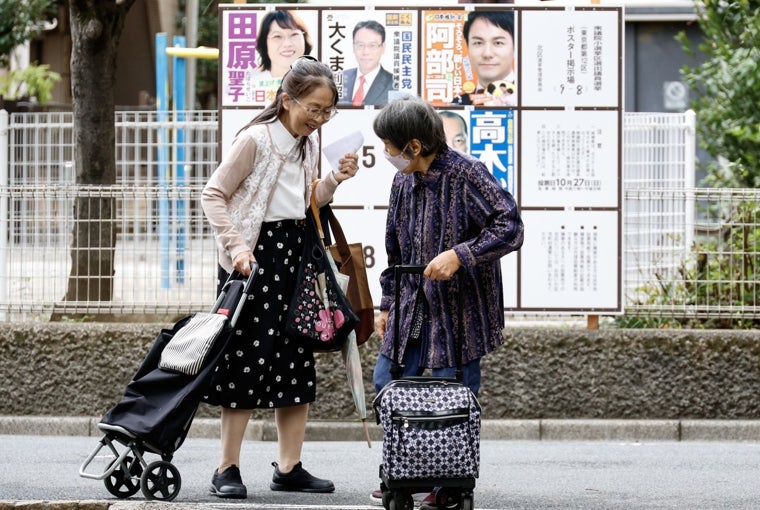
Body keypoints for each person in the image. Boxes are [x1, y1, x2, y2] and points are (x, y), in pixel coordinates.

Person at [201, 56, 360, 499]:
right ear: (286, 99)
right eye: (314, 108)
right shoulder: (255, 139)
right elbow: (213, 194)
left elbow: (307, 200)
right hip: (254, 260)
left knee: (296, 361)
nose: (320, 118)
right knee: (245, 361)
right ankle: (226, 468)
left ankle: (289, 466)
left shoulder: (306, 144)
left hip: (296, 257)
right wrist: (236, 247)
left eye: (328, 111)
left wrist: (335, 179)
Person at [368, 96, 523, 508]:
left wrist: (460, 255)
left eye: (390, 147)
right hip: (411, 308)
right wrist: (387, 304)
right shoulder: (403, 181)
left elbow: (510, 226)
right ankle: (407, 474)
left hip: (460, 313)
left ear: (414, 146)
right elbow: (394, 247)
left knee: (455, 394)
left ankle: (450, 485)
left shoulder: (467, 174)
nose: (387, 155)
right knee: (388, 384)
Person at [452, 10, 516, 107]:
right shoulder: (458, 104)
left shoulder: (532, 97)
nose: (487, 54)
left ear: (516, 47)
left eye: (498, 43)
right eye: (478, 43)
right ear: (468, 47)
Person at [250, 11, 313, 99]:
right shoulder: (250, 84)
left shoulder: (320, 82)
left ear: (304, 39)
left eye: (294, 34)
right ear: (264, 43)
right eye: (277, 36)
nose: (287, 44)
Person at [338, 20, 397, 106]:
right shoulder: (339, 78)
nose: (366, 52)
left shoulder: (394, 84)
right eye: (360, 45)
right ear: (353, 47)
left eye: (372, 45)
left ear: (383, 47)